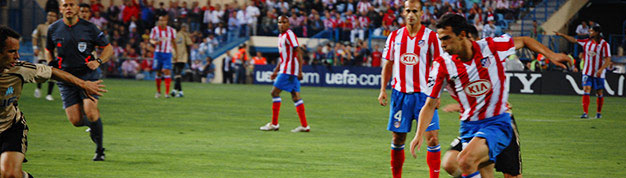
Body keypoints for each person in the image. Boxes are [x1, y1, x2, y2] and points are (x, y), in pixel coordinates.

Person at [408, 14, 570, 178]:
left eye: (446, 38)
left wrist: (552, 55)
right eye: (440, 39)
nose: (442, 44)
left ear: (462, 35)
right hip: (469, 127)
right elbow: (429, 105)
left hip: (497, 123)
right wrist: (418, 134)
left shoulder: (492, 47)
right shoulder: (442, 65)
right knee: (452, 164)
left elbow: (526, 40)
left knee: (466, 161)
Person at [0, 25, 107, 178]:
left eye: (17, 51)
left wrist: (83, 84)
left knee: (10, 174)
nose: (17, 56)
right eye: (12, 51)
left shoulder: (19, 70)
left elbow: (53, 72)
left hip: (11, 127)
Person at [377, 1, 443, 177]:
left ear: (422, 13)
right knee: (398, 139)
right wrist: (383, 89)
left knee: (432, 138)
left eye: (415, 11)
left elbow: (439, 66)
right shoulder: (394, 36)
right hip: (400, 95)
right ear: (403, 13)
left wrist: (438, 94)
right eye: (408, 11)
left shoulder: (431, 37)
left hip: (424, 97)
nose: (411, 14)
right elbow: (388, 64)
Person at [46, 0, 114, 161]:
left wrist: (98, 62)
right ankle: (94, 127)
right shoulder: (53, 29)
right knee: (75, 121)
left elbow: (108, 48)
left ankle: (100, 150)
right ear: (61, 8)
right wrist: (50, 62)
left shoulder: (89, 28)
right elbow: (48, 49)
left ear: (77, 8)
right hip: (66, 78)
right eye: (65, 5)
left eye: (71, 5)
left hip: (88, 76)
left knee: (90, 111)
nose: (68, 8)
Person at [259, 16, 309, 133]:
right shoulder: (281, 36)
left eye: (284, 22)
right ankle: (304, 126)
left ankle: (274, 124)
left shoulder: (289, 34)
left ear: (288, 24)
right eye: (279, 22)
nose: (281, 24)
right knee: (295, 96)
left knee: (274, 93)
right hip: (286, 69)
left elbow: (298, 52)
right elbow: (283, 57)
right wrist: (276, 71)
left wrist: (300, 71)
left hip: (289, 70)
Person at [555, 26, 611, 119]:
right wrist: (562, 35)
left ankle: (598, 112)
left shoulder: (604, 45)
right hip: (587, 72)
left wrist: (601, 69)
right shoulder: (586, 42)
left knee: (599, 92)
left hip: (598, 73)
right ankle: (585, 113)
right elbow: (573, 40)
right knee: (586, 89)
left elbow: (608, 59)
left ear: (597, 32)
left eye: (591, 31)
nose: (589, 32)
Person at [32, 11, 59, 101]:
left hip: (54, 55)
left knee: (53, 74)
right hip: (43, 54)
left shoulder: (59, 28)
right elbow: (35, 37)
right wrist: (35, 47)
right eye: (49, 15)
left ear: (56, 17)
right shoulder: (41, 27)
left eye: (53, 15)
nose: (50, 17)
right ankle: (38, 88)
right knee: (41, 74)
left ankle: (49, 94)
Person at [150, 15, 178, 98]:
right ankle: (158, 91)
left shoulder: (171, 30)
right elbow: (151, 39)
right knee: (158, 72)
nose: (162, 22)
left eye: (163, 20)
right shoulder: (155, 29)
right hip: (158, 53)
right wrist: (154, 42)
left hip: (167, 53)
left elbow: (173, 41)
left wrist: (176, 53)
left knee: (167, 71)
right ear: (159, 21)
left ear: (166, 21)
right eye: (160, 20)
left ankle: (166, 93)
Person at [172, 24, 193, 97]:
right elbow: (190, 43)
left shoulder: (175, 35)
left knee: (177, 73)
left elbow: (189, 43)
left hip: (179, 57)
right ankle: (179, 91)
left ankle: (175, 90)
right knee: (177, 73)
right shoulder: (182, 35)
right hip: (179, 56)